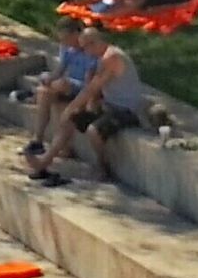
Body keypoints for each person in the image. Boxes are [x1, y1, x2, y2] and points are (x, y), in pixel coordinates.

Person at [25, 28, 145, 182]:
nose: (85, 53)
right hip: (108, 105)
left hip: (126, 110)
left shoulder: (112, 57)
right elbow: (94, 88)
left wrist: (71, 107)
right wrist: (80, 107)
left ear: (94, 43)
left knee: (93, 131)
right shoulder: (103, 58)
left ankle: (103, 167)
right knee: (70, 119)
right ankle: (45, 161)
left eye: (85, 48)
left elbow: (92, 87)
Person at [23, 19, 99, 157]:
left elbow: (91, 82)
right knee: (44, 91)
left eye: (67, 39)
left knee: (61, 85)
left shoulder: (91, 49)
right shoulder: (67, 48)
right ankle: (37, 139)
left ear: (77, 33)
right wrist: (50, 79)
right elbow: (60, 69)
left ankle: (62, 147)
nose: (65, 43)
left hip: (84, 88)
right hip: (67, 85)